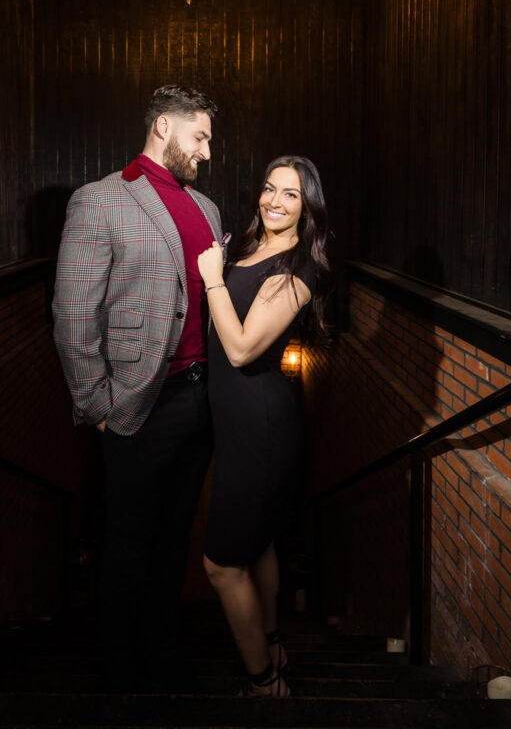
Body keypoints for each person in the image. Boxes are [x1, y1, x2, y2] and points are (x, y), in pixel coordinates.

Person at [52, 85, 222, 692]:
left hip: (200, 404)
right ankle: (121, 672)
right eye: (198, 137)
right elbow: (74, 313)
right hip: (136, 405)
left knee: (176, 536)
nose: (205, 151)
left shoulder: (207, 210)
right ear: (163, 128)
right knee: (127, 542)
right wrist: (96, 404)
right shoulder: (99, 201)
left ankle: (162, 650)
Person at [196, 155, 330, 697]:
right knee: (260, 545)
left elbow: (242, 346)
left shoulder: (299, 268)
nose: (274, 201)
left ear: (309, 207)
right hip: (239, 422)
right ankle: (271, 643)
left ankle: (264, 681)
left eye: (291, 195)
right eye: (270, 188)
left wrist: (211, 279)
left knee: (221, 566)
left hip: (261, 427)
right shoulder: (254, 246)